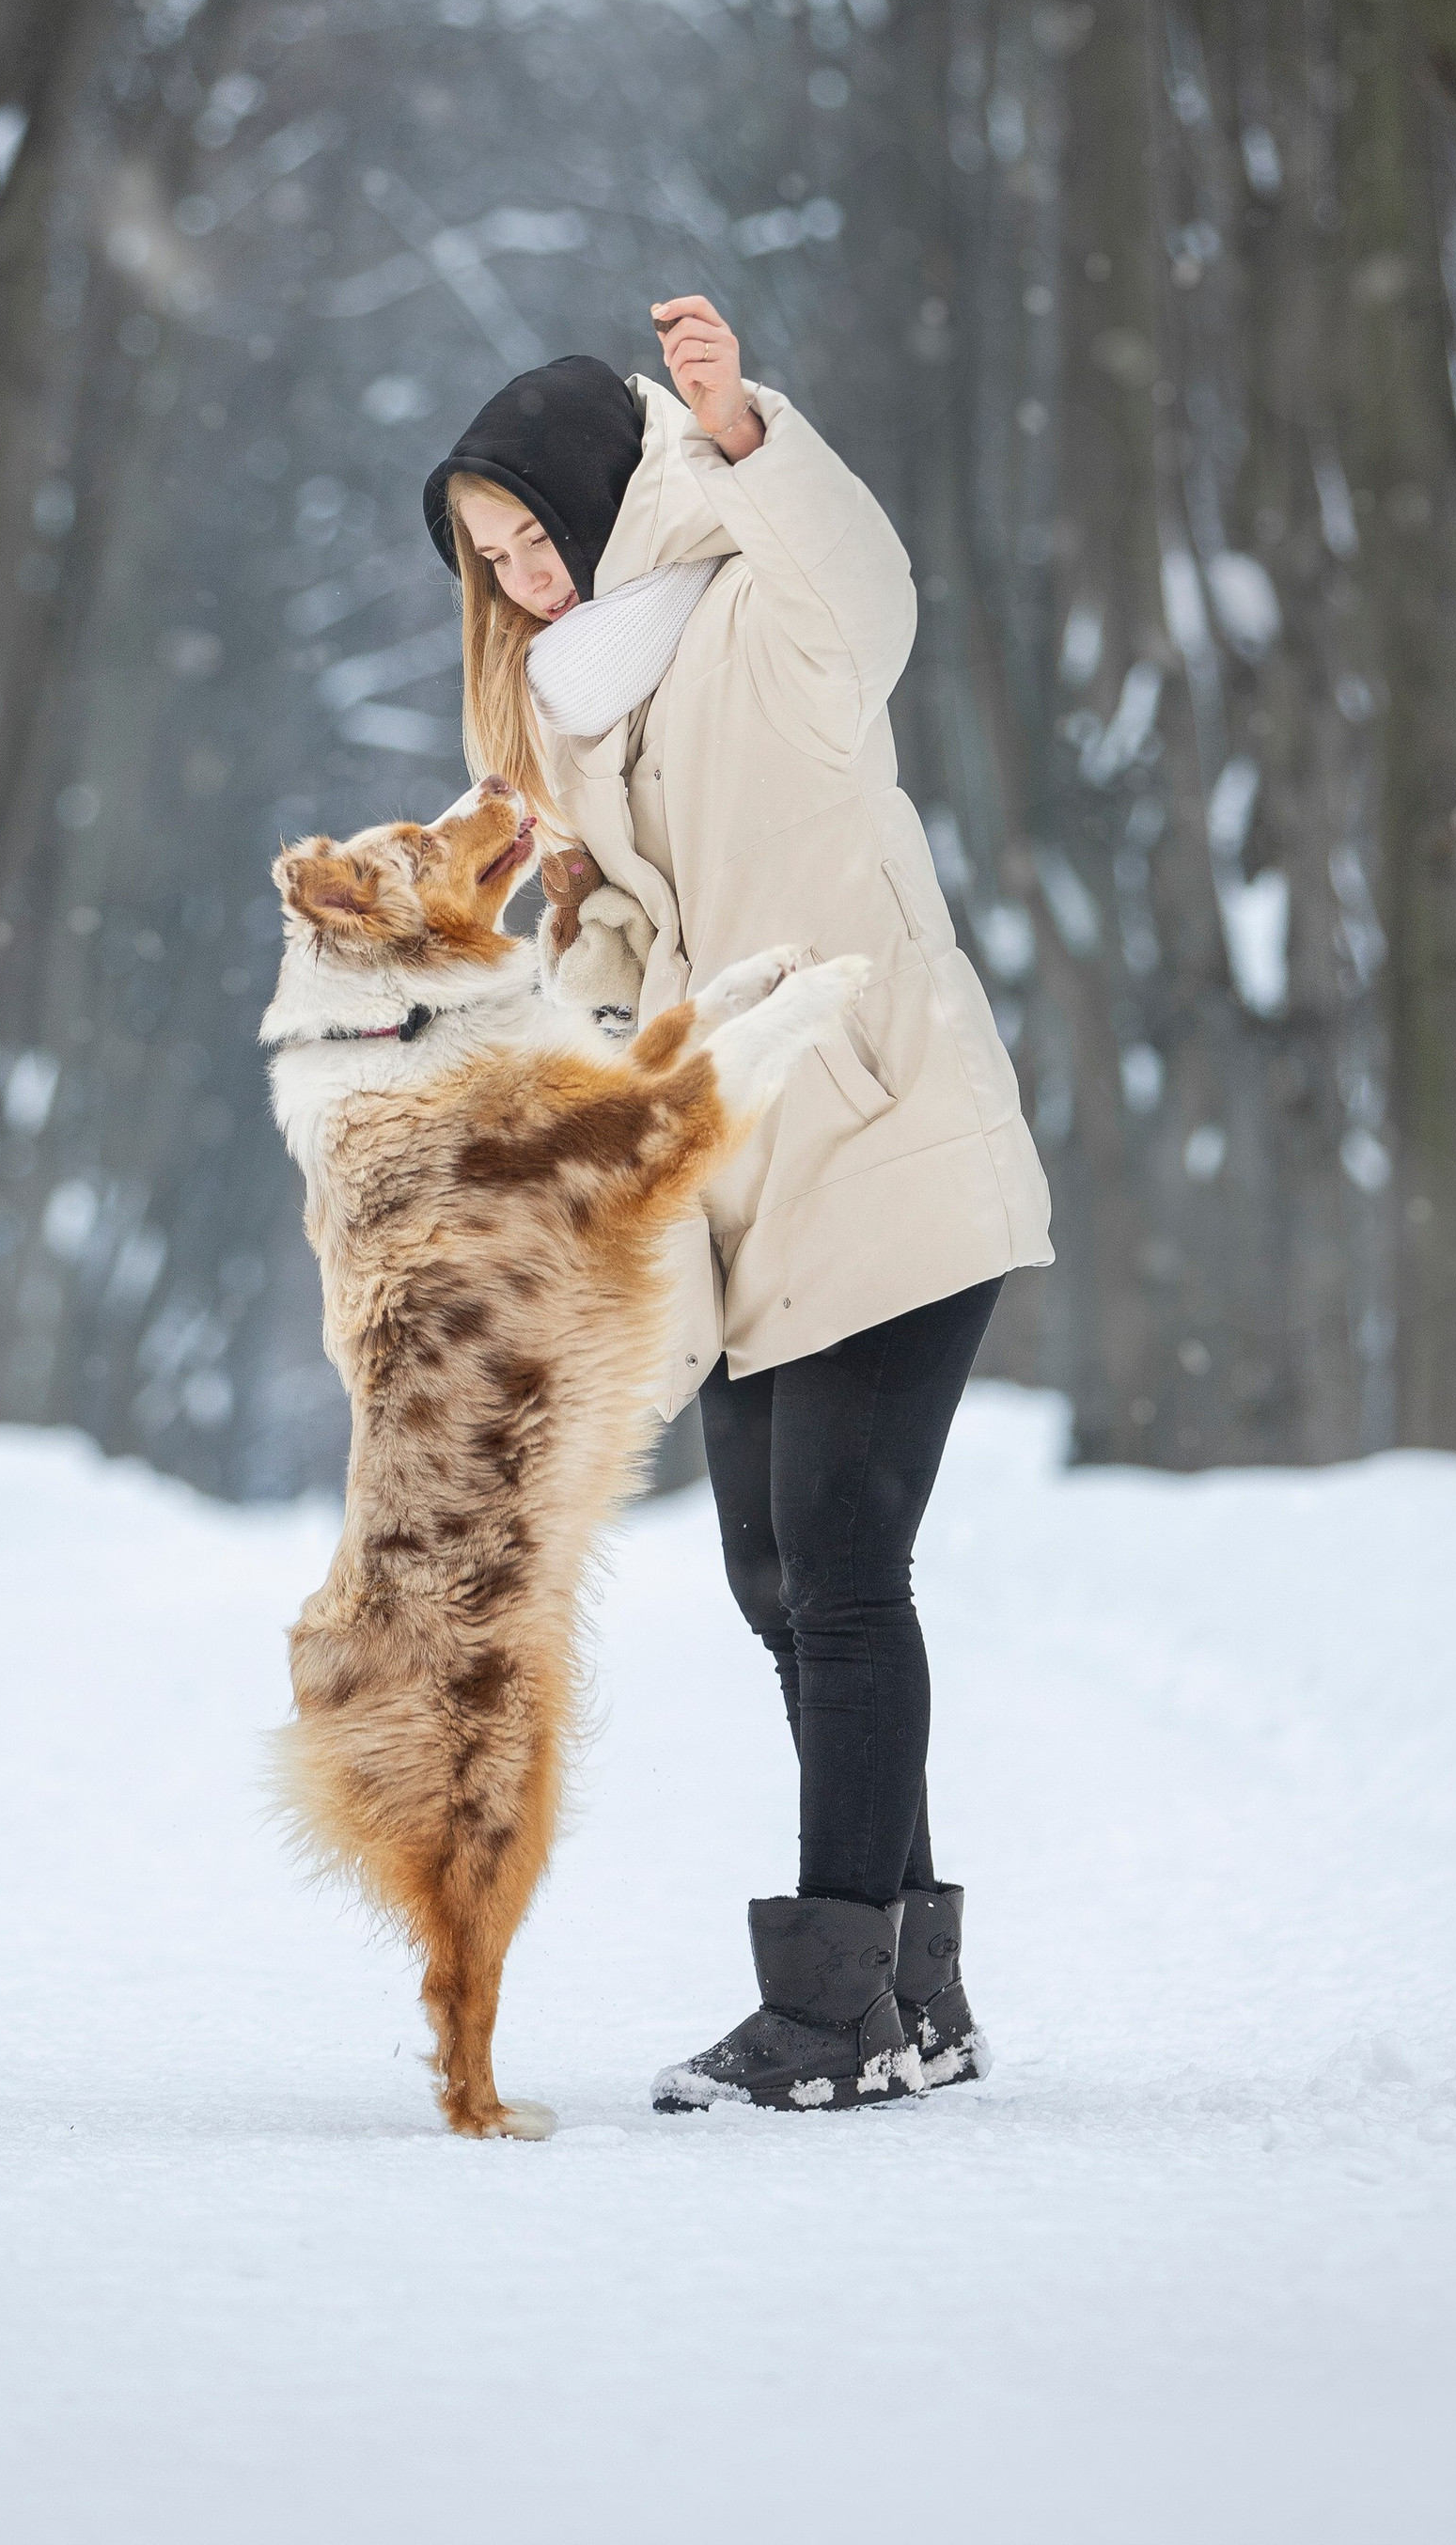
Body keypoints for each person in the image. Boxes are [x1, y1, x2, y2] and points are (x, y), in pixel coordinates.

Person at [420, 295, 1052, 2110]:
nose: (529, 578)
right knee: (777, 1575)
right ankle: (913, 2001)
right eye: (494, 559)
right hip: (739, 1170)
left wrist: (742, 429)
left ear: (611, 487)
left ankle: (836, 2005)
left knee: (843, 1568)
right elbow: (644, 924)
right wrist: (586, 955)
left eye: (539, 532)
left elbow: (871, 590)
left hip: (877, 1118)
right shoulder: (580, 708)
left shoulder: (763, 604)